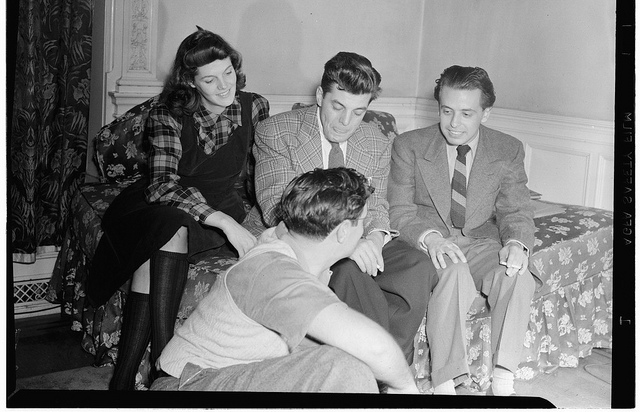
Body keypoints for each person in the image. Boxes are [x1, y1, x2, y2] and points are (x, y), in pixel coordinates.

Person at [86, 28, 270, 390]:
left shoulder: (255, 106)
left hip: (212, 209)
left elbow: (261, 172)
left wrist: (260, 220)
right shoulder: (167, 113)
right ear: (191, 81)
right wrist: (225, 224)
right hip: (153, 205)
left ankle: (124, 381)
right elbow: (162, 186)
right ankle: (164, 364)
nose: (223, 86)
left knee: (163, 241)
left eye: (228, 72)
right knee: (171, 224)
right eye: (209, 79)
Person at [151, 167, 420, 394]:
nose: (364, 230)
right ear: (342, 232)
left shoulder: (298, 250)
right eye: (362, 222)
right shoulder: (271, 269)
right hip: (188, 386)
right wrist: (407, 389)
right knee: (345, 368)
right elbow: (377, 348)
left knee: (346, 361)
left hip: (232, 376)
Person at [250, 51, 433, 363]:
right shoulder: (277, 131)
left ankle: (391, 364)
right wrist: (349, 244)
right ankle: (372, 372)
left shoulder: (376, 141)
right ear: (321, 96)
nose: (346, 122)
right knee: (348, 271)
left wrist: (374, 237)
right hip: (298, 240)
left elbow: (377, 204)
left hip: (357, 236)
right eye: (338, 107)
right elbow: (278, 210)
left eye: (359, 112)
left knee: (418, 266)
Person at [388, 65, 536, 396]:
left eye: (467, 113)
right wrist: (431, 239)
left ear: (486, 113)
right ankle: (445, 384)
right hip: (431, 242)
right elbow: (400, 212)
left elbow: (516, 209)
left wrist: (515, 244)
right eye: (447, 111)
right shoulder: (409, 145)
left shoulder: (507, 148)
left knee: (517, 274)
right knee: (452, 270)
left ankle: (502, 381)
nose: (454, 123)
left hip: (481, 242)